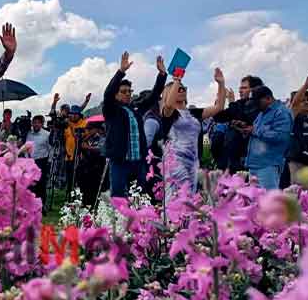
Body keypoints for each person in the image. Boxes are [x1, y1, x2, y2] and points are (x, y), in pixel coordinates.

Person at [103, 51, 167, 197]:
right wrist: (121, 72)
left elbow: (153, 96)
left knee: (140, 196)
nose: (127, 93)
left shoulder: (136, 108)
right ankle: (119, 220)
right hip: (120, 162)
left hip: (138, 162)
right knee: (119, 196)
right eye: (123, 91)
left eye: (129, 91)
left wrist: (162, 75)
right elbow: (107, 93)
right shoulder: (111, 110)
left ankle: (139, 219)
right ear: (116, 94)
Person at [161, 69, 226, 200]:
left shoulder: (193, 113)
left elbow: (219, 107)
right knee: (177, 197)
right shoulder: (169, 114)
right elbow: (168, 104)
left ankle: (185, 220)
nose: (182, 90)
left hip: (192, 161)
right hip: (175, 162)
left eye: (183, 88)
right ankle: (173, 220)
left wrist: (221, 84)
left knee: (189, 197)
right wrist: (176, 81)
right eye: (178, 89)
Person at [244, 86, 293, 189]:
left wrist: (255, 130)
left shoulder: (282, 112)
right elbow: (256, 131)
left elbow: (281, 136)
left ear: (268, 98)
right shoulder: (262, 113)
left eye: (258, 102)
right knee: (253, 202)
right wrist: (246, 128)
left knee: (268, 202)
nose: (256, 105)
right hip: (254, 165)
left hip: (268, 166)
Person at [212, 75, 264, 173]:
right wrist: (221, 96)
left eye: (244, 88)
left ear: (255, 90)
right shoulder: (238, 104)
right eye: (240, 88)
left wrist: (231, 102)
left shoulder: (261, 106)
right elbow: (218, 117)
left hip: (251, 159)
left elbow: (246, 117)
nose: (240, 91)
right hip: (232, 159)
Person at [64, 95, 91, 199]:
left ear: (79, 115)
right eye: (71, 114)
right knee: (70, 179)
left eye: (75, 114)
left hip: (81, 156)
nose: (73, 116)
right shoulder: (67, 124)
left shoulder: (85, 123)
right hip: (69, 157)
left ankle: (79, 198)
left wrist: (86, 102)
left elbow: (83, 138)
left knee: (79, 179)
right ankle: (68, 198)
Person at [286, 79, 308, 185]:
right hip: (297, 163)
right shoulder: (292, 117)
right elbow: (295, 105)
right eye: (303, 100)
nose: (307, 102)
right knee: (298, 194)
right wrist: (306, 86)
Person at [26, 115, 50, 206]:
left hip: (42, 161)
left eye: (38, 123)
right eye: (34, 122)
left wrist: (49, 161)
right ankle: (31, 203)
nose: (36, 124)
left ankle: (42, 205)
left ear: (42, 124)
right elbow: (26, 146)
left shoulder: (47, 134)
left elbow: (50, 148)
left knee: (41, 184)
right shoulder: (29, 133)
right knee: (30, 183)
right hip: (30, 161)